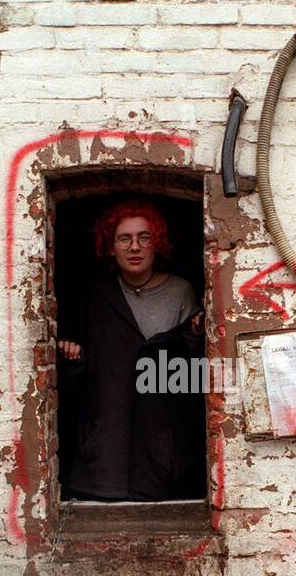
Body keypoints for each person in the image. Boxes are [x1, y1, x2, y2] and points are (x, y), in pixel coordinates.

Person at [58, 199, 205, 501]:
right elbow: (72, 374)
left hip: (163, 442)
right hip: (107, 439)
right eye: (124, 238)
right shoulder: (93, 295)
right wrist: (71, 357)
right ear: (110, 246)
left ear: (157, 244)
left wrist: (193, 337)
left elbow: (194, 371)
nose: (134, 247)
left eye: (144, 237)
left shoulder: (181, 292)